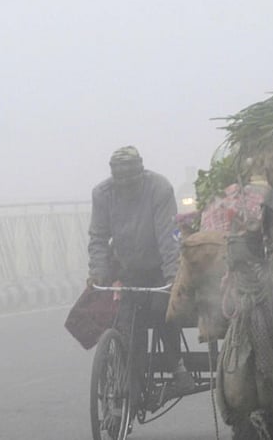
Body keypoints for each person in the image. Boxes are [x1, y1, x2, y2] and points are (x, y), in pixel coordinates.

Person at [88, 146, 194, 397]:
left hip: (158, 267)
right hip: (127, 269)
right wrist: (98, 272)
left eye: (130, 182)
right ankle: (130, 374)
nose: (125, 187)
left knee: (162, 311)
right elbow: (98, 237)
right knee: (125, 322)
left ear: (141, 173)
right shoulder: (102, 194)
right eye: (120, 182)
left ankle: (175, 365)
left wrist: (172, 277)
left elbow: (168, 237)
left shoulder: (159, 188)